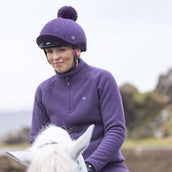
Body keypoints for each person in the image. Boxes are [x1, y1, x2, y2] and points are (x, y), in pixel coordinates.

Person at [30, 6, 129, 172]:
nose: (55, 57)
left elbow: (116, 130)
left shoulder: (102, 80)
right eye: (49, 51)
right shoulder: (43, 91)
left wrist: (91, 165)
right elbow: (36, 140)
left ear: (77, 51)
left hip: (106, 167)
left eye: (61, 50)